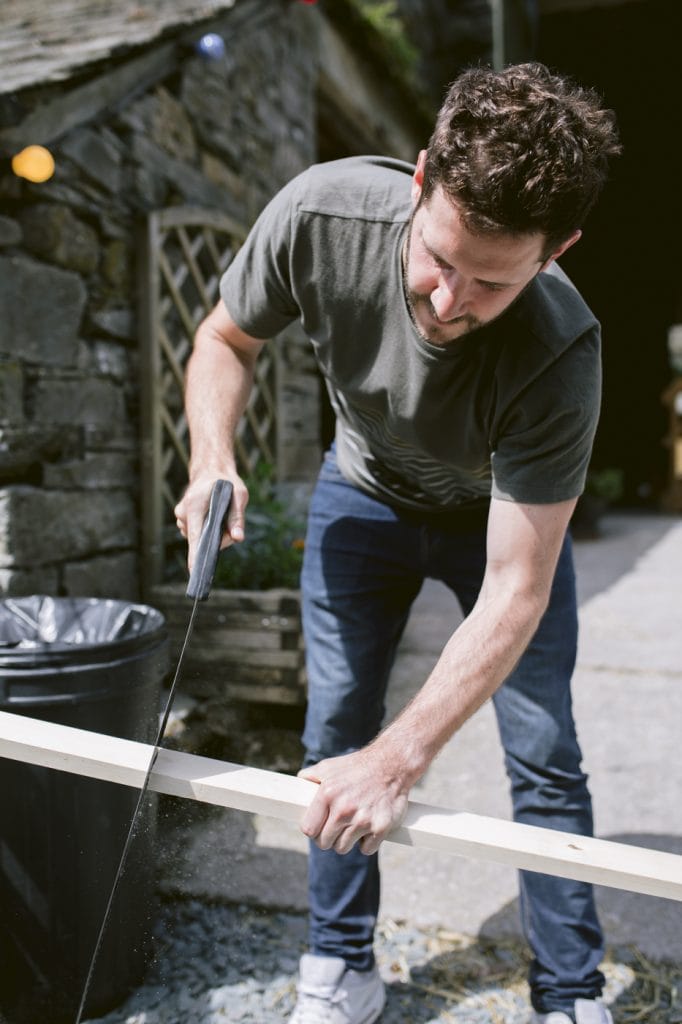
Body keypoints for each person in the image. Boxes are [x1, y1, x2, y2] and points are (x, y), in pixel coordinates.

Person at [175, 62, 621, 1024]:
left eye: (491, 282)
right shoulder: (320, 215)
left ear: (557, 252)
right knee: (336, 734)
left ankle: (570, 991)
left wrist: (404, 757)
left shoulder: (560, 350)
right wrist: (211, 457)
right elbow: (224, 339)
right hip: (359, 495)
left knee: (544, 751)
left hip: (492, 527)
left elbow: (515, 589)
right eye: (438, 257)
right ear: (421, 180)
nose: (449, 300)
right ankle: (341, 969)